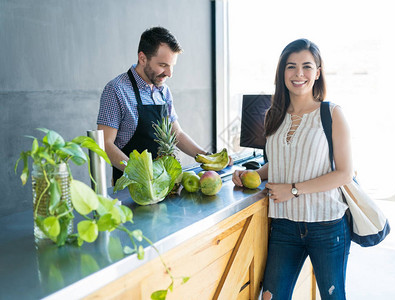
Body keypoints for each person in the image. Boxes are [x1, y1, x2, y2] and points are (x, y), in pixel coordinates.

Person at [232, 39, 354, 299]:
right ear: (282, 72)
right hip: (285, 224)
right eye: (291, 67)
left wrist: (294, 190)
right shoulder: (272, 115)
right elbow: (279, 162)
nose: (299, 74)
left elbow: (344, 173)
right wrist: (251, 174)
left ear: (318, 73)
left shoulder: (331, 114)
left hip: (327, 224)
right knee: (271, 296)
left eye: (307, 67)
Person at [97, 27, 212, 184]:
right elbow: (105, 144)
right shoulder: (116, 89)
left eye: (172, 66)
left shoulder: (164, 91)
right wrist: (137, 172)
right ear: (142, 58)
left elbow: (176, 134)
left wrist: (206, 156)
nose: (169, 73)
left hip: (164, 182)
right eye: (163, 65)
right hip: (131, 186)